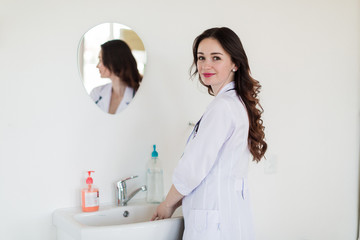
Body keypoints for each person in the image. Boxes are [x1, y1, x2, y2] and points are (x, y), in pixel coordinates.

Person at [151, 27, 267, 240]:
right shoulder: (234, 103)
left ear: (235, 63)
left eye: (216, 58)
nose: (206, 65)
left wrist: (167, 204)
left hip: (214, 222)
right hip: (229, 216)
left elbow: (193, 169)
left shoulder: (223, 107)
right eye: (201, 57)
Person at [90, 39, 142, 114]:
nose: (97, 66)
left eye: (101, 60)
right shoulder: (96, 93)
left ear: (113, 62)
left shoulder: (139, 96)